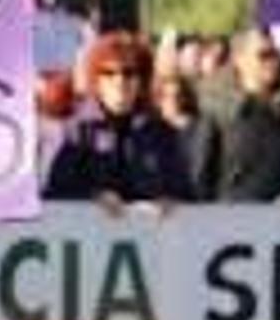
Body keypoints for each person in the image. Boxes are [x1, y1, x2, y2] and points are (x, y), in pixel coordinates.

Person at [45, 31, 193, 209]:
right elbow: (55, 193)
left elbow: (185, 191)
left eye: (129, 73)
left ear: (141, 81)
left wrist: (169, 199)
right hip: (89, 233)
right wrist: (95, 197)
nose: (119, 81)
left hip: (150, 233)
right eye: (108, 73)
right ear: (96, 81)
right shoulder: (76, 133)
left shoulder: (161, 134)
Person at [217, 30, 280, 204]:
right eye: (264, 55)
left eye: (276, 55)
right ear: (239, 60)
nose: (273, 62)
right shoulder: (220, 112)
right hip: (231, 221)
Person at [154, 71, 221, 201]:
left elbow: (212, 170)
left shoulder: (204, 128)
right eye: (166, 96)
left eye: (178, 95)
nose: (172, 101)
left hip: (198, 201)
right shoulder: (151, 130)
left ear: (185, 97)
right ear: (158, 100)